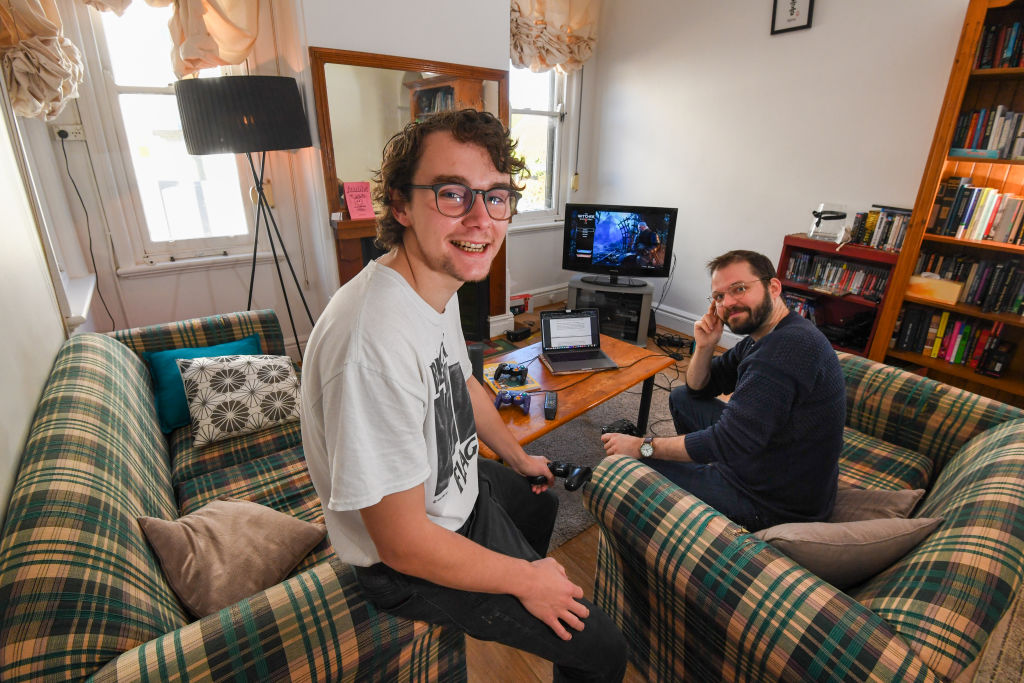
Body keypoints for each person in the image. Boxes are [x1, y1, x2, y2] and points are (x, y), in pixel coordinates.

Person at [301, 108, 627, 682]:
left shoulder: (433, 282)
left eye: (496, 196)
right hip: (406, 562)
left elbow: (465, 381)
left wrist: (520, 456)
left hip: (453, 495)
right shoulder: (371, 345)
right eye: (452, 194)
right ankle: (512, 600)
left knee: (540, 495)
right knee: (601, 649)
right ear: (400, 205)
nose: (481, 219)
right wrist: (527, 578)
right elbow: (402, 543)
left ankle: (510, 609)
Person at [600, 249, 845, 531]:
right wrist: (705, 346)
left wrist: (643, 446)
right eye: (718, 296)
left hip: (774, 505)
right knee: (682, 397)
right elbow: (697, 387)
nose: (727, 303)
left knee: (627, 467)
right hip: (770, 461)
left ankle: (706, 488)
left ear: (773, 287)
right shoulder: (768, 335)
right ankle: (705, 474)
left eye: (739, 289)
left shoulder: (784, 352)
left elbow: (727, 442)